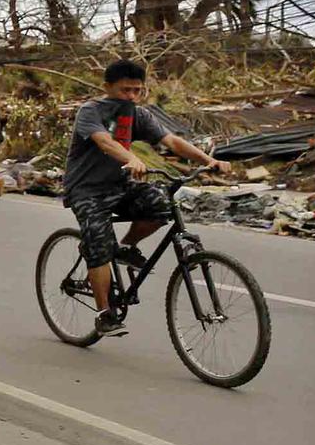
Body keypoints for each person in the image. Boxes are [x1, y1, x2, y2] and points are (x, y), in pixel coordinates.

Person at [65, 59, 230, 336]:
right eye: (125, 90)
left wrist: (208, 160)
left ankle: (126, 247)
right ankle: (105, 314)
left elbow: (172, 141)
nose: (131, 96)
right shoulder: (90, 111)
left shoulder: (138, 115)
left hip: (119, 185)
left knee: (160, 205)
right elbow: (105, 142)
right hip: (86, 189)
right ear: (106, 87)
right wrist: (131, 157)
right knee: (98, 247)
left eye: (137, 91)